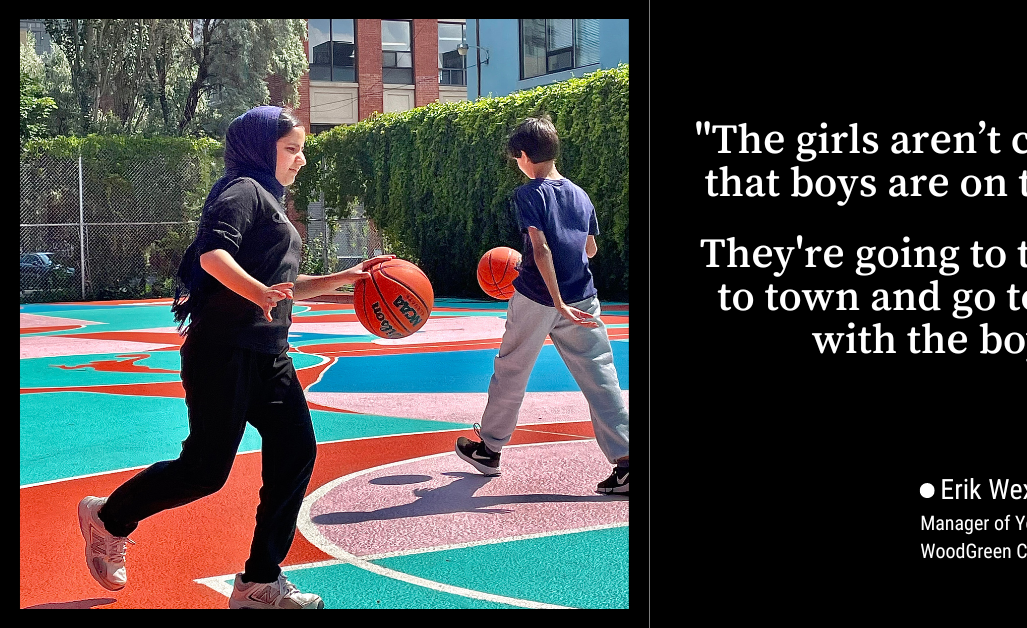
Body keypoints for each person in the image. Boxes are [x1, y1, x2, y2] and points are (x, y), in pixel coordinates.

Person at [77, 105, 393, 609]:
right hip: (222, 352)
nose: (301, 159)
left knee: (296, 455)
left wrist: (346, 278)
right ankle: (108, 518)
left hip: (270, 355)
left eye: (302, 148)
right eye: (292, 148)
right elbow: (212, 257)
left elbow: (283, 288)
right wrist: (257, 293)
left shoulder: (271, 199)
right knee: (205, 471)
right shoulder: (241, 191)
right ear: (260, 148)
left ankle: (259, 582)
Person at [455, 114, 630, 495]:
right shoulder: (580, 195)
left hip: (538, 296)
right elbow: (590, 248)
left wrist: (555, 301)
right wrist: (568, 296)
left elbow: (540, 247)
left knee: (511, 371)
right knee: (600, 377)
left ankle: (489, 451)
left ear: (522, 155)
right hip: (583, 296)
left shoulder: (529, 193)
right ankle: (628, 463)